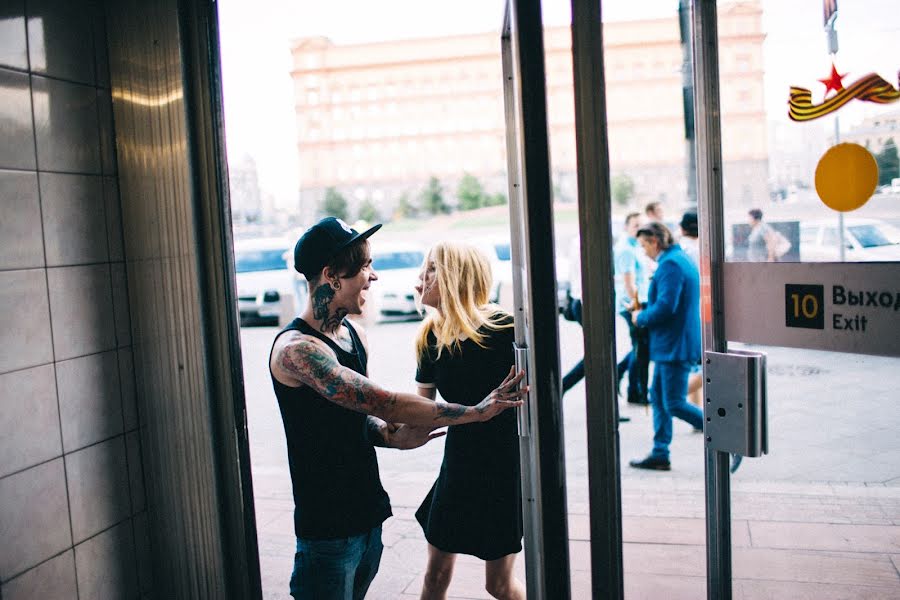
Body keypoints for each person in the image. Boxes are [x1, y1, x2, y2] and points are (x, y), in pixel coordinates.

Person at [269, 217, 527, 600]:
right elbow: (384, 402)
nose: (373, 278)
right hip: (327, 526)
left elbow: (363, 417)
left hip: (366, 516)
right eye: (365, 267)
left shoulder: (353, 336)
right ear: (333, 276)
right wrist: (477, 411)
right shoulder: (298, 350)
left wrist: (389, 437)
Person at [413, 242, 526, 600]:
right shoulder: (431, 336)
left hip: (504, 468)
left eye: (431, 269)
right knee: (435, 576)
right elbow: (420, 411)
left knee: (498, 585)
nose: (420, 277)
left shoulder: (508, 331)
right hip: (459, 466)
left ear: (455, 276)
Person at [628, 222, 704, 471]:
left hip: (675, 345)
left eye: (644, 245)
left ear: (655, 242)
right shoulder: (678, 258)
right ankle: (660, 452)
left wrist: (642, 317)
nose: (643, 250)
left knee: (672, 401)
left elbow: (667, 307)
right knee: (658, 397)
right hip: (673, 343)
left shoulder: (670, 264)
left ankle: (723, 432)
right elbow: (670, 301)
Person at [678, 211, 702, 410]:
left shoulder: (681, 248)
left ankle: (696, 409)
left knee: (696, 364)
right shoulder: (699, 248)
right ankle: (676, 396)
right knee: (705, 364)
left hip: (690, 311)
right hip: (702, 309)